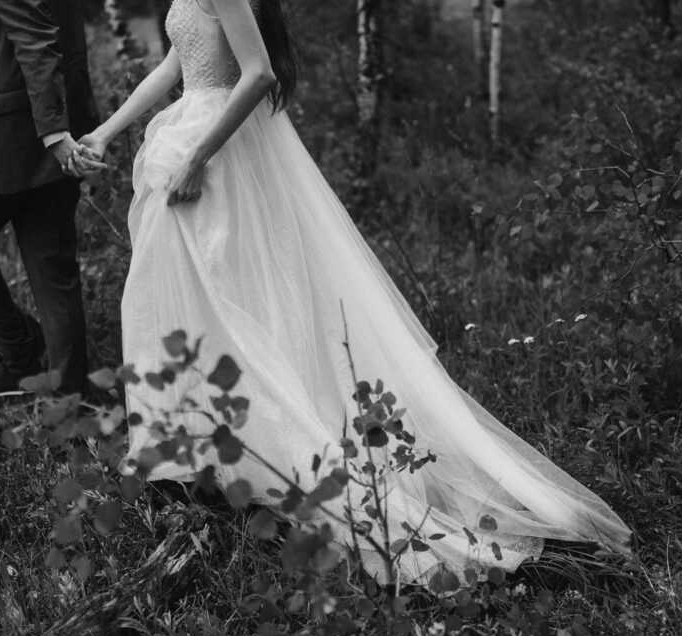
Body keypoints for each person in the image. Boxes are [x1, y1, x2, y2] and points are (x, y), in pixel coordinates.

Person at [70, 0, 631, 582]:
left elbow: (259, 71)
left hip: (219, 150)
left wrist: (197, 156)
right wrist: (106, 132)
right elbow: (173, 65)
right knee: (188, 303)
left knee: (230, 306)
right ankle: (203, 453)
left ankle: (261, 457)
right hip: (191, 130)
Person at [0, 0, 99, 397]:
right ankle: (71, 403)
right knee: (52, 266)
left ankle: (21, 355)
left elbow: (36, 38)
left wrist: (54, 134)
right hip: (52, 112)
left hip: (24, 130)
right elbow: (42, 24)